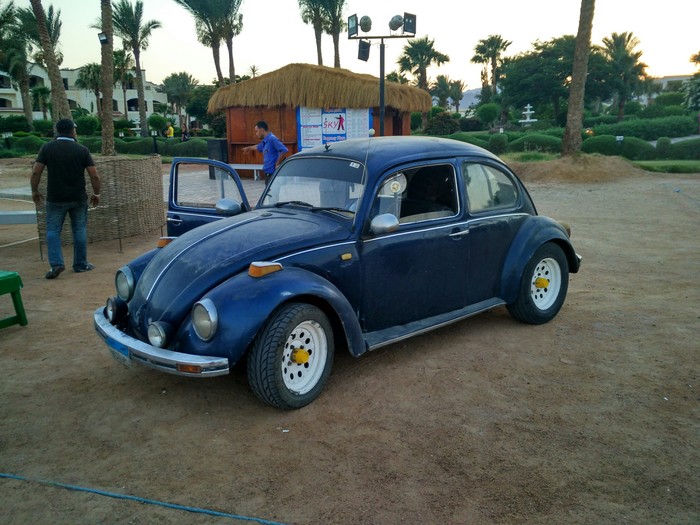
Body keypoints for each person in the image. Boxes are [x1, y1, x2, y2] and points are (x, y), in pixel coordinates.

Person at [30, 118, 101, 279]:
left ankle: (56, 264)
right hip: (78, 197)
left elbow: (36, 172)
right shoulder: (82, 150)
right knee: (79, 230)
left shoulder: (47, 148)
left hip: (55, 198)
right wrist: (96, 193)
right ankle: (81, 264)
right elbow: (94, 175)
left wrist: (34, 190)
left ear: (57, 131)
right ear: (73, 131)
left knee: (53, 231)